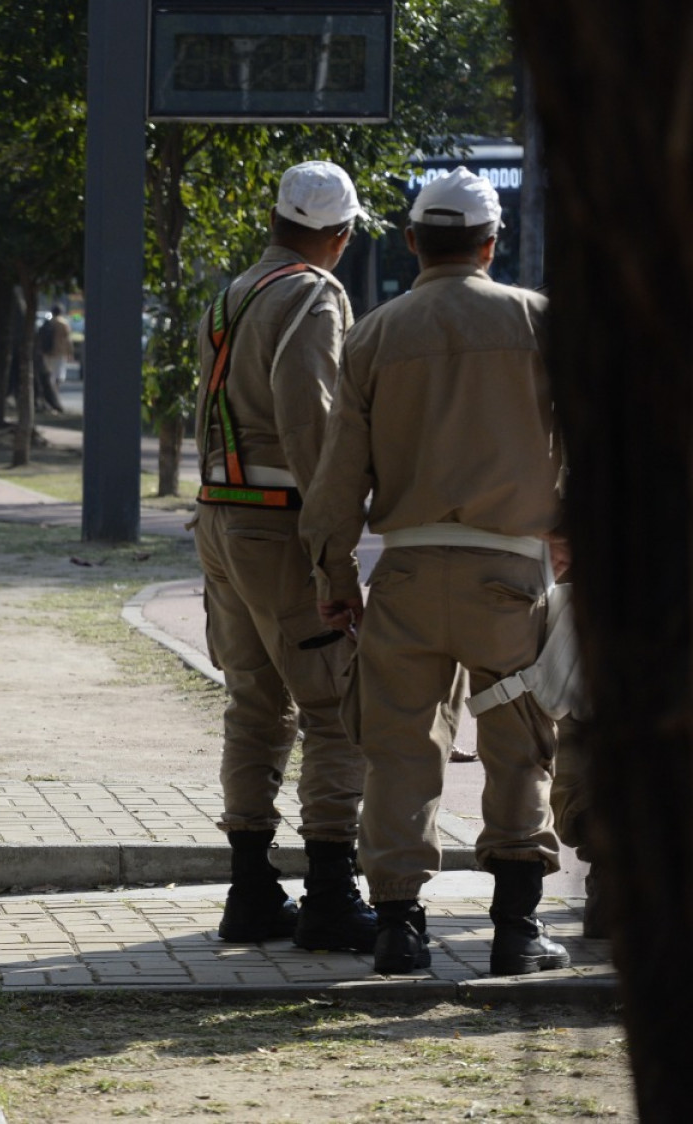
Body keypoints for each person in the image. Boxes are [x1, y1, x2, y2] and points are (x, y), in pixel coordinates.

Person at [301, 166, 568, 977]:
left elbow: (339, 477)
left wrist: (336, 576)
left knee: (400, 752)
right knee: (519, 748)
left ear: (414, 241)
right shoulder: (538, 323)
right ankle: (516, 933)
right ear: (492, 243)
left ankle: (397, 931)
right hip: (511, 578)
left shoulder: (377, 332)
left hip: (407, 578)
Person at [192, 160, 376, 953]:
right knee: (337, 708)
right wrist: (337, 563)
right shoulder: (314, 293)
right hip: (280, 526)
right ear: (340, 233)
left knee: (254, 705)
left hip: (221, 518)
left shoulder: (231, 295)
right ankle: (333, 894)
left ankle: (252, 891)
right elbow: (313, 427)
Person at [36, 305, 74, 414]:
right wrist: (70, 352)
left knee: (49, 374)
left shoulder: (48, 322)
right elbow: (67, 339)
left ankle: (48, 399)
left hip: (47, 352)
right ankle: (54, 395)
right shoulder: (63, 324)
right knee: (57, 376)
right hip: (59, 353)